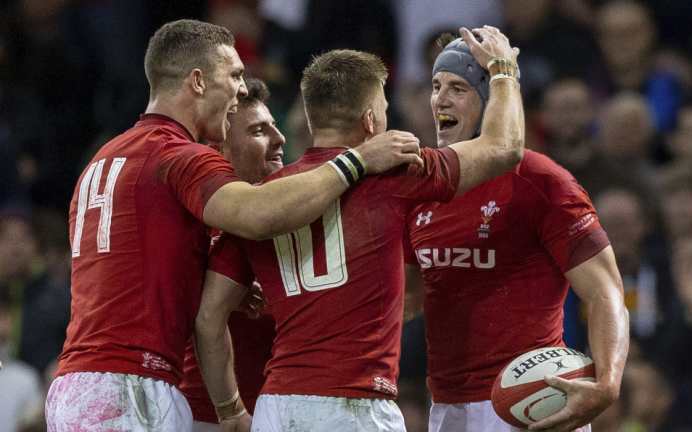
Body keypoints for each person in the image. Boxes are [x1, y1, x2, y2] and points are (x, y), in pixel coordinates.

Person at [45, 19, 423, 431]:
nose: (241, 89)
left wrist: (209, 281)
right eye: (235, 75)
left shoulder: (103, 157)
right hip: (132, 384)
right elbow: (258, 215)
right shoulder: (179, 155)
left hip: (77, 384)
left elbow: (134, 264)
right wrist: (359, 161)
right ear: (197, 81)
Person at [195, 26, 524, 432]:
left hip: (277, 406)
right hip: (355, 404)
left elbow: (209, 318)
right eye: (383, 108)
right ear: (371, 120)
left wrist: (229, 410)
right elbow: (504, 147)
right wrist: (503, 70)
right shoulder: (396, 174)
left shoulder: (262, 200)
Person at [403, 32, 629, 432]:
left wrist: (608, 382)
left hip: (535, 402)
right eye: (436, 87)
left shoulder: (542, 180)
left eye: (458, 88)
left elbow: (605, 290)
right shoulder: (423, 186)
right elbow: (408, 297)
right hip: (447, 408)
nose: (441, 99)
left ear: (491, 101)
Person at [179, 77, 282, 432]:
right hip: (210, 418)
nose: (279, 140)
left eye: (275, 126)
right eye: (258, 131)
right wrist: (231, 411)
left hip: (283, 412)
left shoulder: (293, 215)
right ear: (218, 148)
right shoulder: (192, 225)